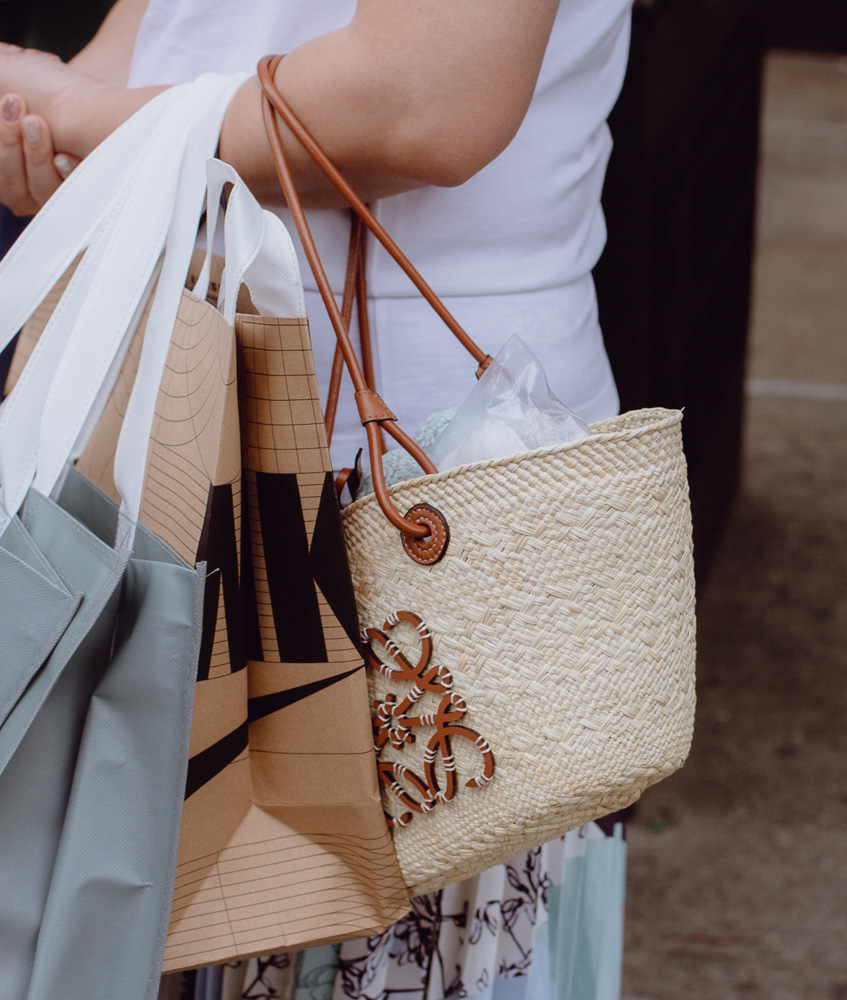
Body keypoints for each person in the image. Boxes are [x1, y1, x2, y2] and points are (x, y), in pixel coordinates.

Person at [0, 1, 632, 997]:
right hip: (169, 431)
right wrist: (48, 123)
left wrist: (85, 114)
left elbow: (426, 99)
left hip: (424, 490)